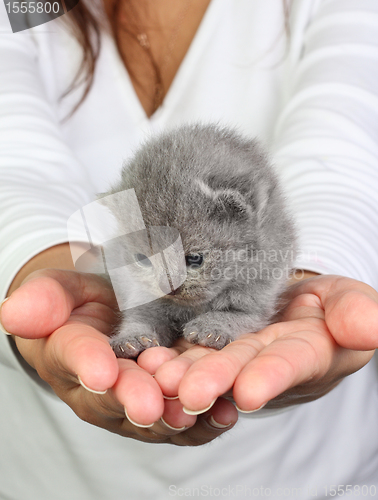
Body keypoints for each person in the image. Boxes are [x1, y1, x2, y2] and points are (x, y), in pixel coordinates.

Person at [1, 0, 378, 498]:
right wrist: (41, 264)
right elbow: (13, 161)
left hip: (310, 475)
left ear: (240, 215)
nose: (173, 282)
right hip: (52, 476)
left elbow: (347, 145)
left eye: (193, 260)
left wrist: (309, 277)